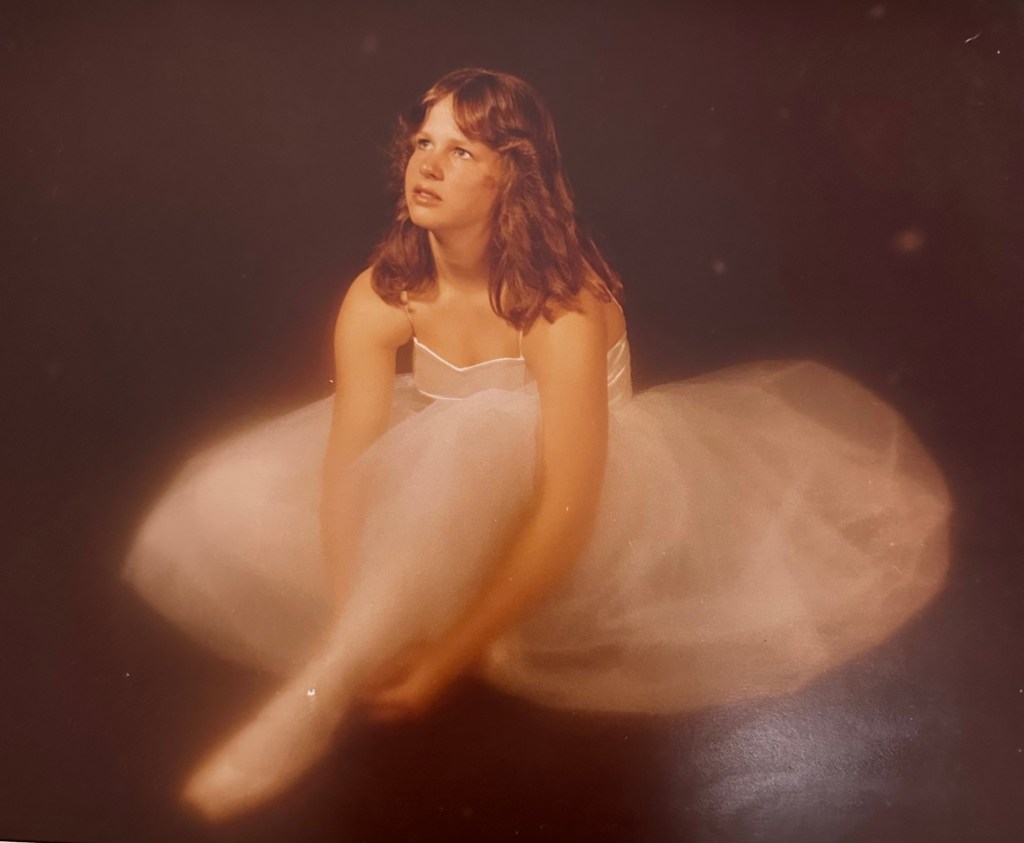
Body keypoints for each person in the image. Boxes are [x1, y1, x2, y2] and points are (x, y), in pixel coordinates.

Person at [125, 68, 951, 822]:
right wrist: (349, 620)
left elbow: (570, 503)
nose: (427, 166)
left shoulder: (563, 304)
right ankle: (333, 672)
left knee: (482, 434)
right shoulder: (381, 296)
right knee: (276, 488)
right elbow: (349, 468)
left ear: (510, 176)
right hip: (447, 504)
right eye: (422, 143)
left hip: (592, 512)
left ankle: (311, 703)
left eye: (461, 150)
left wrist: (444, 662)